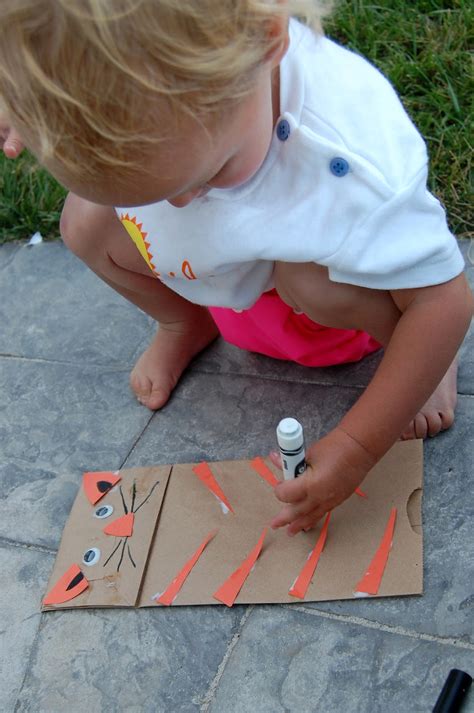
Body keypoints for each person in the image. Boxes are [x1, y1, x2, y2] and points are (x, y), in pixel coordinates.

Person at [0, 1, 471, 536]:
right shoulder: (187, 121)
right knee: (84, 222)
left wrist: (358, 446)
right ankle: (185, 321)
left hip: (327, 308)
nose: (180, 206)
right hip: (223, 274)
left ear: (264, 44)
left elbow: (444, 298)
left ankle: (430, 364)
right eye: (148, 197)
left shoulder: (349, 164)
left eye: (208, 175)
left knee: (312, 281)